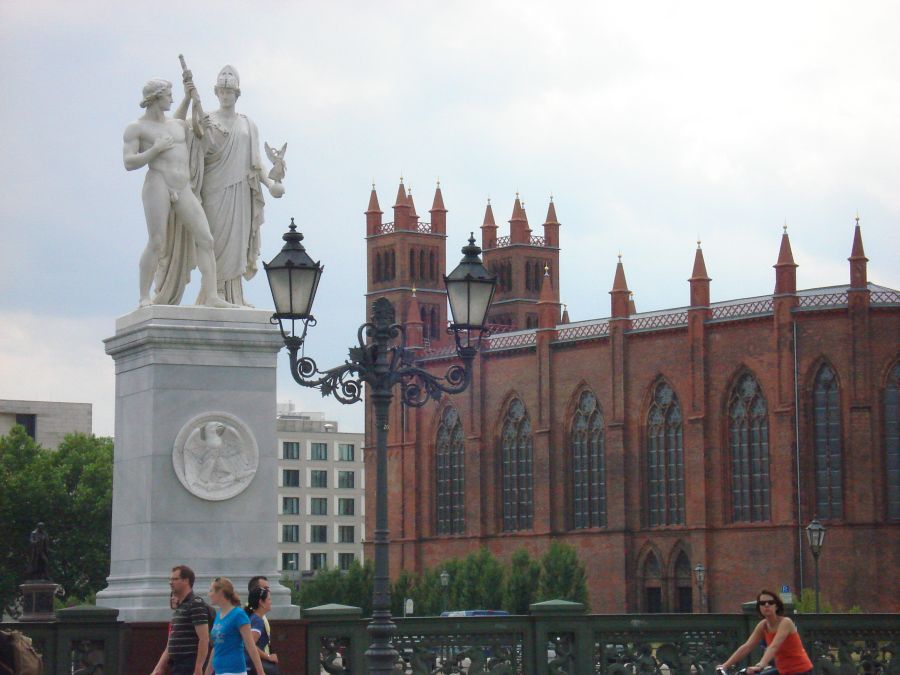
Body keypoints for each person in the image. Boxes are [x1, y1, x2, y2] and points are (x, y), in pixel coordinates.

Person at [123, 77, 234, 308]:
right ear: (156, 97)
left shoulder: (175, 124)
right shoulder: (137, 127)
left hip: (183, 186)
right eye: (169, 95)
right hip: (158, 183)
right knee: (156, 241)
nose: (171, 99)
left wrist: (188, 97)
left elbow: (189, 123)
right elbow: (129, 162)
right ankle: (144, 297)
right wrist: (155, 149)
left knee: (206, 238)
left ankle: (212, 295)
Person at [192, 65, 284, 306]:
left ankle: (235, 295)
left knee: (237, 245)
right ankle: (214, 292)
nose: (225, 95)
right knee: (214, 240)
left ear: (237, 94)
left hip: (241, 191)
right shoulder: (206, 120)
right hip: (213, 189)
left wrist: (271, 183)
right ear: (215, 92)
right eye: (221, 91)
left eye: (229, 91)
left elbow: (256, 163)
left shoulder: (247, 125)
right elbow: (196, 156)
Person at [718, 589, 814, 675]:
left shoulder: (786, 622)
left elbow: (774, 646)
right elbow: (747, 647)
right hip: (783, 670)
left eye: (770, 602)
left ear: (776, 606)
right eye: (762, 603)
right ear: (759, 607)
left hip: (800, 670)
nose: (766, 605)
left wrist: (761, 665)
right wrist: (725, 665)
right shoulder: (763, 625)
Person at [151, 565, 210, 675]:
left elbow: (204, 638)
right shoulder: (180, 607)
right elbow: (171, 642)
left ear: (186, 581)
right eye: (170, 579)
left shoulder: (195, 604)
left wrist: (198, 667)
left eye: (175, 579)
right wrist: (159, 667)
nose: (170, 582)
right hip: (176, 664)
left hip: (189, 664)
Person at [205, 576, 264, 675]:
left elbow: (250, 646)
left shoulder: (238, 615)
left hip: (234, 671)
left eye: (211, 591)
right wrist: (207, 672)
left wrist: (260, 672)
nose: (209, 594)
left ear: (221, 593)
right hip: (219, 671)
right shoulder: (219, 614)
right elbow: (217, 646)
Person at [245, 586, 279, 674]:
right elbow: (250, 645)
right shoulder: (257, 621)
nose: (271, 602)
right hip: (252, 667)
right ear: (261, 602)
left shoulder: (251, 618)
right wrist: (268, 656)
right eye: (269, 599)